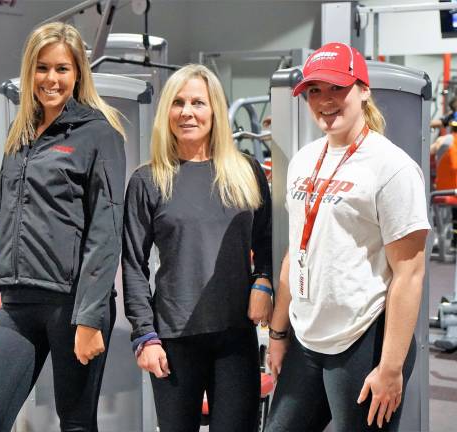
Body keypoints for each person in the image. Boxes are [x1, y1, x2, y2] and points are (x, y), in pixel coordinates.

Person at [0, 22, 126, 432]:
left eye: (61, 69)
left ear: (77, 74)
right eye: (41, 68)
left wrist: (89, 317)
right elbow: (1, 214)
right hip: (18, 305)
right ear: (29, 72)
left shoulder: (98, 134)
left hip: (72, 306)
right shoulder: (20, 135)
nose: (50, 79)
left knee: (75, 422)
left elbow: (105, 230)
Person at [265, 42, 430, 432]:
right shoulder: (305, 159)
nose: (325, 101)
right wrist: (278, 330)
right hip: (307, 338)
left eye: (337, 88)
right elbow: (297, 251)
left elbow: (409, 273)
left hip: (362, 340)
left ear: (363, 89)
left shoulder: (391, 168)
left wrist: (390, 368)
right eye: (314, 91)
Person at [122, 64, 272, 432]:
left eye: (198, 103)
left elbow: (267, 241)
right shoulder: (148, 180)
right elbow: (133, 265)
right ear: (166, 113)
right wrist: (144, 336)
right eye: (178, 103)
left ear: (215, 110)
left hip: (235, 336)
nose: (187, 112)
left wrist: (263, 281)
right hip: (173, 339)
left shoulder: (246, 172)